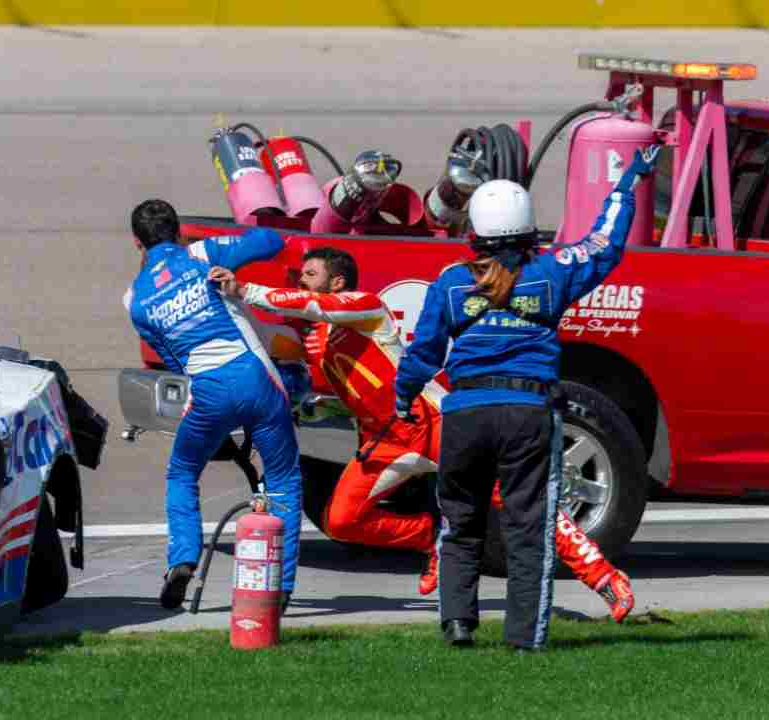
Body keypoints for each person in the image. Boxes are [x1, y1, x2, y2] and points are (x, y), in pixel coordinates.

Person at [213, 246, 635, 622]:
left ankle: (603, 578)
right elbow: (270, 338)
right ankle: (431, 539)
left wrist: (244, 289)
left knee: (517, 499)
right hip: (384, 443)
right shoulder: (318, 339)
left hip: (433, 424)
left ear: (336, 282)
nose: (300, 282)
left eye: (309, 274)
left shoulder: (365, 306)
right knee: (341, 520)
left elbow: (307, 304)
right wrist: (224, 305)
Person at [393, 144, 661, 650]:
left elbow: (423, 354)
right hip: (528, 413)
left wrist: (403, 398)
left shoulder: (450, 283)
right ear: (528, 227)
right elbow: (604, 243)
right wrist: (629, 182)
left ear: (473, 231)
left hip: (465, 415)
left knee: (459, 521)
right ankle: (524, 640)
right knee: (528, 528)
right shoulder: (551, 274)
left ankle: (457, 624)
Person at [124, 199, 304, 610]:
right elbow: (272, 242)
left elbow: (171, 358)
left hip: (206, 391)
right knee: (283, 478)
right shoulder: (202, 253)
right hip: (257, 380)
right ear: (178, 230)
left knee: (183, 471)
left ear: (137, 243)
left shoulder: (134, 299)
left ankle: (182, 559)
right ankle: (281, 587)